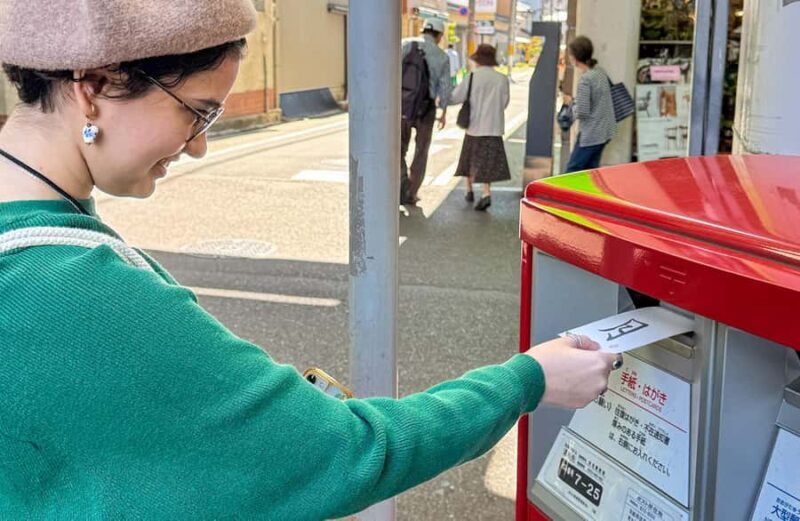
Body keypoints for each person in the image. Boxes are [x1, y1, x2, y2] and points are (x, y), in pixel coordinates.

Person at [0, 1, 621, 518]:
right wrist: (528, 381)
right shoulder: (82, 294)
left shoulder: (44, 242)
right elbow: (348, 450)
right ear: (96, 86)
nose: (198, 146)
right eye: (196, 111)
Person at [450, 44, 511, 211]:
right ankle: (486, 192)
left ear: (478, 60)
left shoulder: (471, 77)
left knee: (469, 158)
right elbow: (504, 103)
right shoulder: (502, 79)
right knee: (488, 161)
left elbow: (455, 97)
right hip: (494, 127)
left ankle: (469, 190)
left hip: (474, 126)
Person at [400, 18, 451, 206]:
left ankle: (400, 185)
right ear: (439, 35)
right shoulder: (441, 56)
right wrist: (443, 112)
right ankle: (411, 193)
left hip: (402, 105)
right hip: (426, 109)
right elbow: (445, 88)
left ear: (423, 30)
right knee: (421, 151)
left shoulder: (405, 44)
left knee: (398, 149)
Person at [563, 36, 616, 173]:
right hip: (605, 131)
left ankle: (566, 195)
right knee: (590, 172)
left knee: (572, 171)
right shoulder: (600, 72)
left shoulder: (585, 80)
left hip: (591, 135)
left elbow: (582, 112)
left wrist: (571, 103)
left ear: (574, 58)